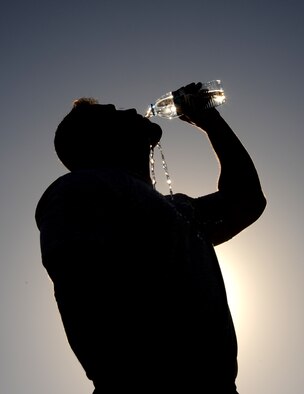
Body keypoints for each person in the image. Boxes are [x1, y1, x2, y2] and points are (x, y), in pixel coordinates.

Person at [35, 83, 266, 394]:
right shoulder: (81, 189)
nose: (131, 110)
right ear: (98, 139)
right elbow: (84, 291)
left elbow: (247, 199)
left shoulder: (177, 210)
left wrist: (210, 120)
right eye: (114, 114)